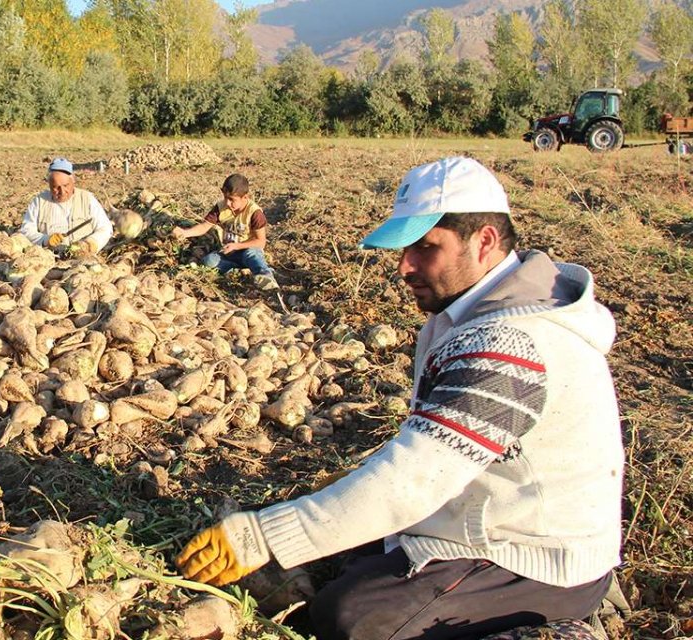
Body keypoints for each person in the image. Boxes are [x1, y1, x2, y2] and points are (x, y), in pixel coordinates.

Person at [176, 157, 623, 640]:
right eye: (405, 248)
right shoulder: (457, 315)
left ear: (485, 242)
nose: (404, 266)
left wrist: (261, 535)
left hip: (533, 556)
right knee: (333, 559)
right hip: (466, 516)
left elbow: (413, 482)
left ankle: (560, 631)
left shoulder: (509, 344)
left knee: (351, 619)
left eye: (425, 248)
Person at [171, 173, 277, 288]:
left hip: (247, 252)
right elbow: (204, 226)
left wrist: (236, 246)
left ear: (245, 197)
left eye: (232, 199)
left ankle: (266, 275)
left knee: (252, 254)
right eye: (225, 197)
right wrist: (185, 233)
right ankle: (235, 270)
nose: (227, 203)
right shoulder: (221, 207)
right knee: (209, 261)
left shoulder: (254, 213)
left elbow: (261, 242)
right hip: (229, 253)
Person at [18, 158, 113, 256]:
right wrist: (45, 240)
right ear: (49, 185)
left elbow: (105, 228)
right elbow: (26, 230)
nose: (62, 191)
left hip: (83, 258)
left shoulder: (87, 199)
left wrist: (91, 243)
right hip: (48, 258)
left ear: (73, 181)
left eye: (66, 185)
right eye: (56, 187)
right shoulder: (39, 201)